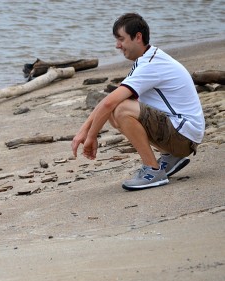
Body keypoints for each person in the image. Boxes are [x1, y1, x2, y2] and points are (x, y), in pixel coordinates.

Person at [71, 13, 204, 191]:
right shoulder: (147, 59)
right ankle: (170, 156)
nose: (117, 45)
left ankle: (153, 170)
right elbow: (108, 102)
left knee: (121, 109)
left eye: (121, 39)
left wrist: (91, 137)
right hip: (184, 134)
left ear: (138, 37)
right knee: (116, 108)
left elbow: (109, 103)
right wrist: (84, 131)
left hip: (184, 135)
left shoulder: (150, 65)